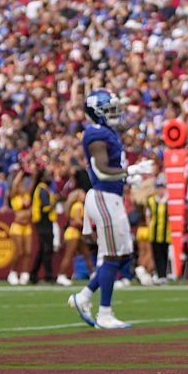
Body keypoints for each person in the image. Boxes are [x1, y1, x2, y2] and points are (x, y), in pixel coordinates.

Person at [68, 90, 134, 330]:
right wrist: (130, 173)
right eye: (110, 109)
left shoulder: (107, 133)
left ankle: (84, 296)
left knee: (123, 254)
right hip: (104, 197)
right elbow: (102, 170)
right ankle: (104, 313)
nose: (115, 113)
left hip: (112, 197)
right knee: (112, 256)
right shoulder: (96, 135)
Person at [57, 188, 94, 286]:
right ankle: (61, 275)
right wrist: (87, 227)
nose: (84, 195)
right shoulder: (78, 206)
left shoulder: (76, 205)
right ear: (78, 196)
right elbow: (77, 221)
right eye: (82, 194)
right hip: (73, 233)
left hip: (75, 233)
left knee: (86, 253)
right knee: (69, 255)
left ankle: (93, 274)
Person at [29, 166, 58, 284]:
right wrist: (54, 202)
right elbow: (45, 207)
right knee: (47, 248)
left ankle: (34, 274)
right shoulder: (42, 190)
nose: (49, 177)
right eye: (46, 175)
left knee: (42, 249)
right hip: (44, 221)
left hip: (43, 221)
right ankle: (48, 275)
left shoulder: (42, 189)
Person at [6, 170, 33, 286]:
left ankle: (25, 273)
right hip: (17, 226)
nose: (22, 187)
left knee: (27, 252)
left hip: (27, 226)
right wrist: (20, 173)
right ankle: (12, 273)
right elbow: (14, 185)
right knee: (19, 252)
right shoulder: (14, 197)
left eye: (23, 185)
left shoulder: (27, 195)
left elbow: (33, 181)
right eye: (20, 185)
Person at [146, 184, 172, 283]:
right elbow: (148, 215)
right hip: (154, 231)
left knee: (165, 254)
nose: (160, 191)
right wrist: (149, 227)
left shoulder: (168, 201)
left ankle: (164, 274)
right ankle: (160, 275)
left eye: (162, 188)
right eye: (159, 189)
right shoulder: (151, 200)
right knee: (157, 254)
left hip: (166, 232)